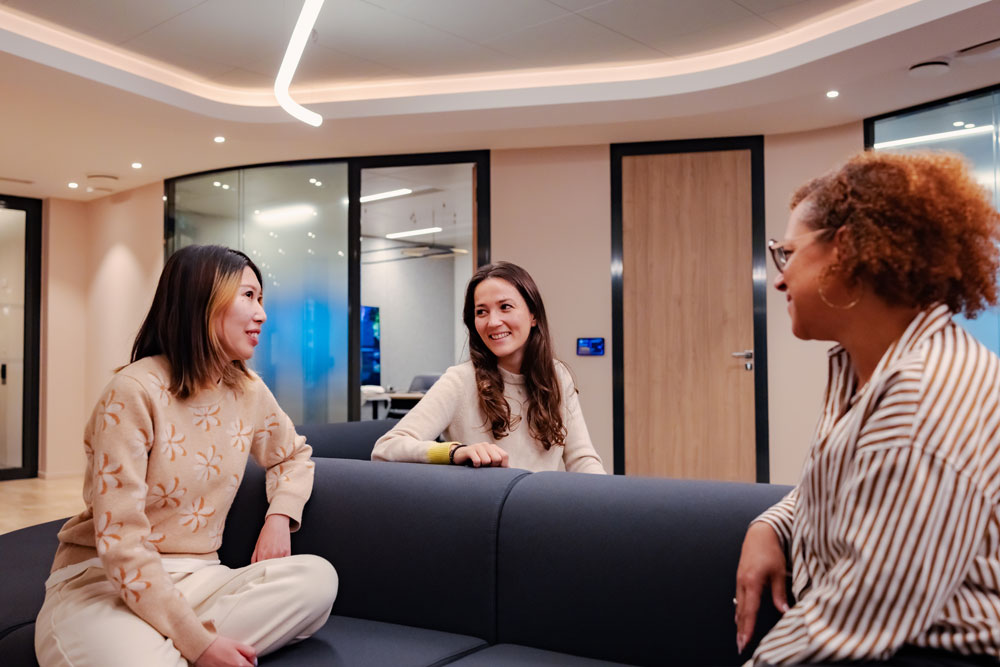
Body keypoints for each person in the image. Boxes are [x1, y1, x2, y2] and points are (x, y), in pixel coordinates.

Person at [734, 151, 1000, 666]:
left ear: (846, 250)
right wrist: (770, 525)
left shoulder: (923, 396)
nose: (780, 280)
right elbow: (849, 488)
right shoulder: (871, 368)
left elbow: (859, 611)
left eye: (788, 254)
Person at [35, 245, 338, 667]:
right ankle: (175, 645)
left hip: (200, 579)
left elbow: (292, 455)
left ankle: (167, 644)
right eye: (248, 296)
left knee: (317, 580)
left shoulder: (248, 390)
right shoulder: (133, 391)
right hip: (104, 582)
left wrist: (279, 517)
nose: (262, 314)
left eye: (260, 298)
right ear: (203, 301)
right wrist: (200, 644)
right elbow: (120, 539)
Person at [372, 261, 606, 473]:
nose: (493, 322)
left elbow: (582, 459)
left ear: (533, 315)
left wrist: (607, 501)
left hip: (540, 504)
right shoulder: (460, 380)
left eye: (505, 307)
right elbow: (386, 449)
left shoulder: (557, 376)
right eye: (481, 312)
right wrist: (454, 452)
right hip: (486, 507)